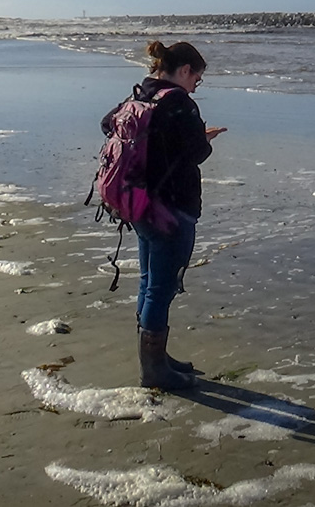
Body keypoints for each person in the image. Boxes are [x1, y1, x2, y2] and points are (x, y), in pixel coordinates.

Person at [100, 40, 226, 390]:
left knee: (149, 280)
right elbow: (197, 152)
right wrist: (204, 137)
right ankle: (153, 369)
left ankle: (156, 358)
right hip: (171, 208)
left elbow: (106, 124)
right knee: (161, 286)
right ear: (185, 70)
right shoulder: (180, 104)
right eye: (196, 79)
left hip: (138, 204)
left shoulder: (139, 94)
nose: (195, 86)